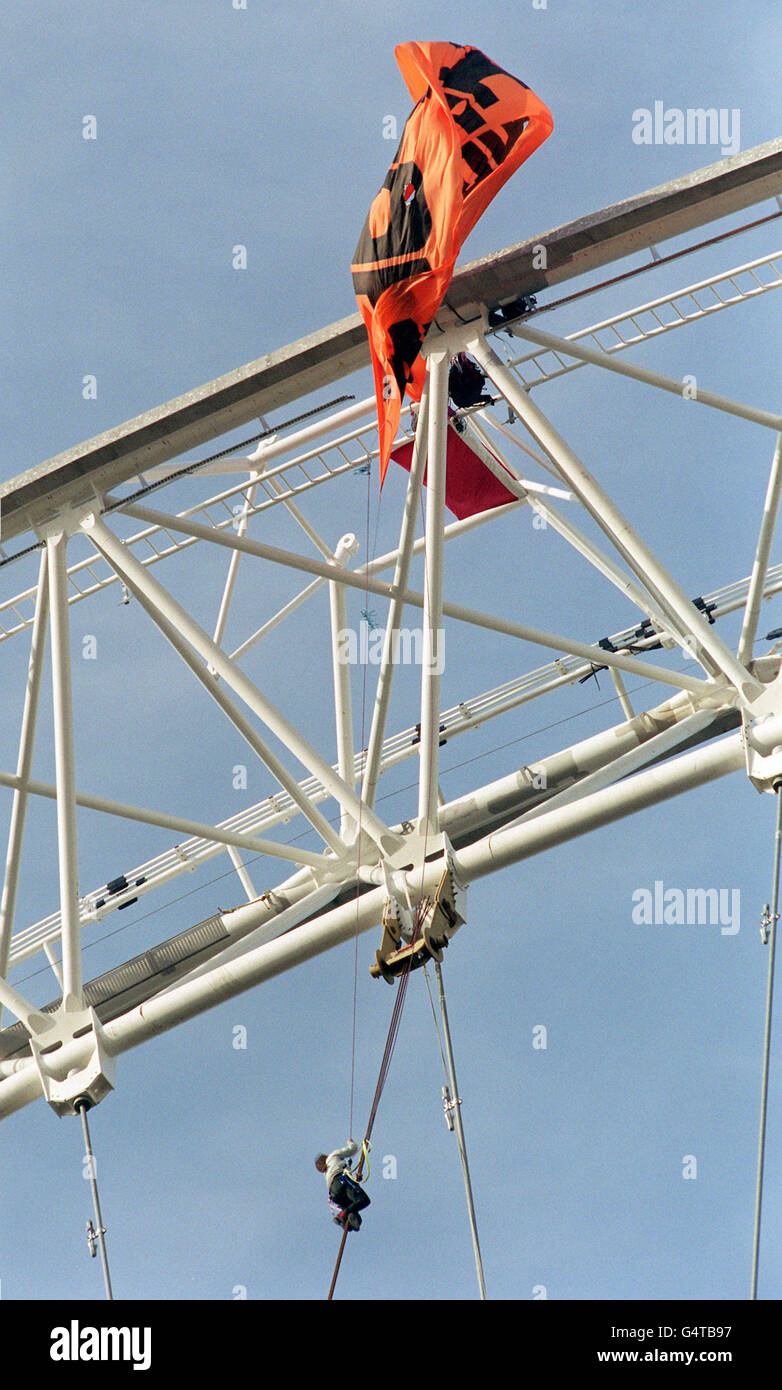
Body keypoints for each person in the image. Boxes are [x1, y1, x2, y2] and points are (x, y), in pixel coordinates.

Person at [315, 1140, 371, 1232]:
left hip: (335, 1194)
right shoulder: (333, 1156)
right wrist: (351, 1143)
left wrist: (356, 1179)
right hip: (342, 1182)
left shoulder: (326, 1173)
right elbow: (353, 1149)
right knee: (363, 1200)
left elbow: (346, 1174)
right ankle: (342, 1215)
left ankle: (346, 1221)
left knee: (354, 1212)